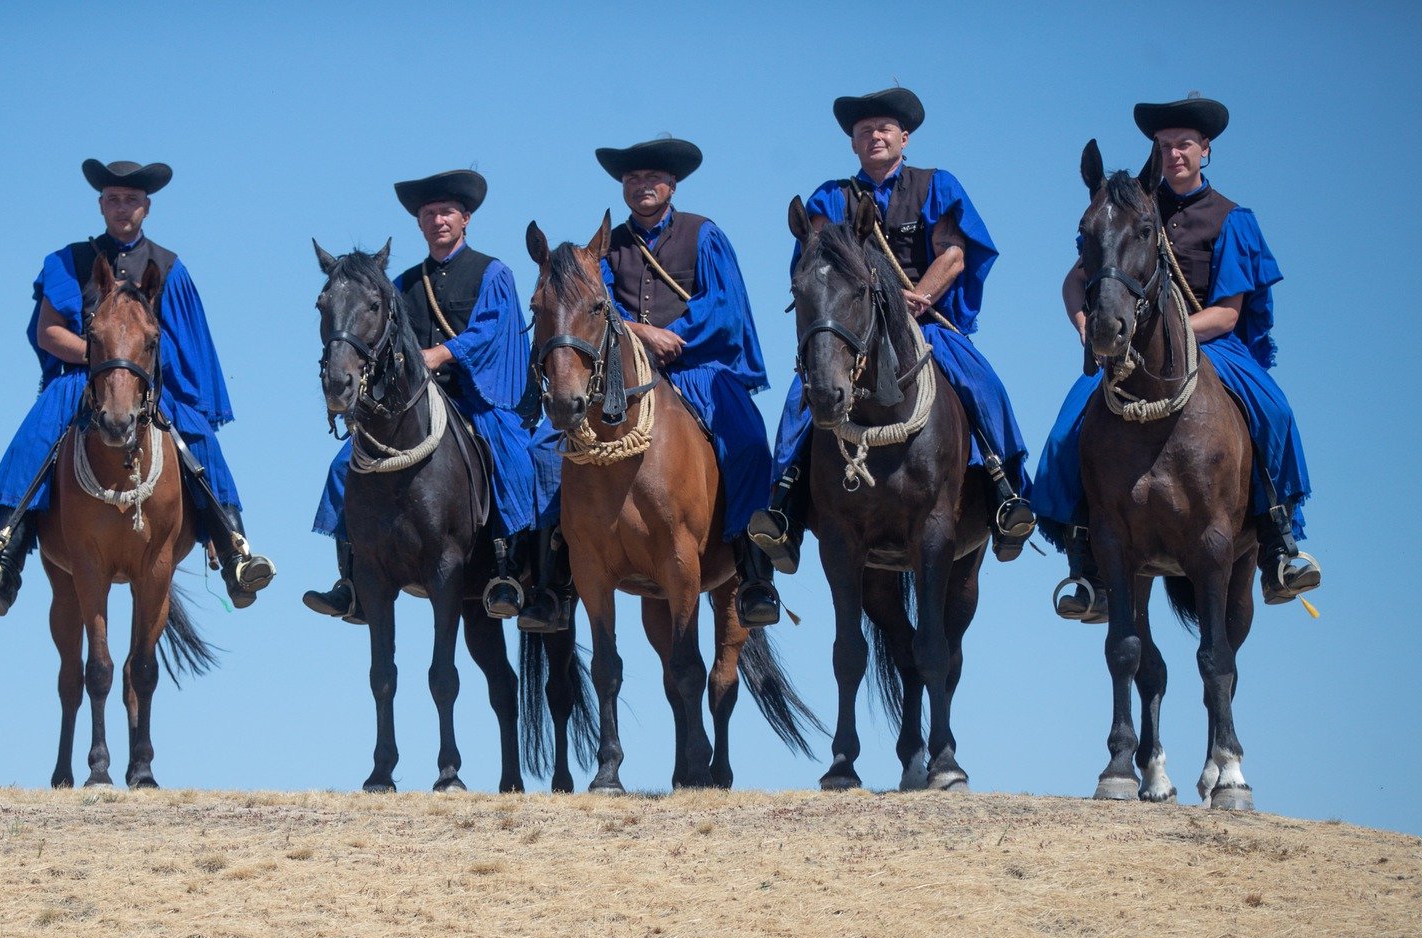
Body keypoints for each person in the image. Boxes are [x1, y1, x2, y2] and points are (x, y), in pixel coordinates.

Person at [1036, 94, 1320, 619]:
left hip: (1210, 343)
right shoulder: (1129, 209)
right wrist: (1084, 325)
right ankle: (1084, 557)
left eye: (1183, 144)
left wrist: (1170, 335)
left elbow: (1228, 314)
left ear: (1204, 150)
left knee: (1275, 411)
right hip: (1128, 350)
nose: (1173, 154)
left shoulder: (1231, 218)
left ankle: (1279, 542)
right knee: (1067, 425)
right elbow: (1076, 281)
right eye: (1164, 145)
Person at [754, 87, 1036, 589]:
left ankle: (1004, 491)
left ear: (904, 138)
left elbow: (953, 255)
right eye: (864, 131)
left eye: (884, 128)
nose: (875, 136)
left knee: (981, 383)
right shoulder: (830, 198)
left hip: (922, 325)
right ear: (853, 144)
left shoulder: (936, 185)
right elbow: (815, 259)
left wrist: (918, 298)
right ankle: (784, 506)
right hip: (857, 331)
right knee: (805, 392)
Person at [0, 159, 275, 613]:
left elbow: (185, 345)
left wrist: (136, 370)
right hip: (83, 378)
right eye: (113, 199)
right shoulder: (69, 261)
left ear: (146, 208)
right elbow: (48, 333)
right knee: (37, 434)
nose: (122, 207)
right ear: (100, 205)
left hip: (148, 383)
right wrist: (102, 359)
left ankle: (234, 551)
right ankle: (5, 558)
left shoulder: (169, 267)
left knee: (199, 440)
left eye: (131, 200)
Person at [537, 138, 778, 625]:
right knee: (544, 448)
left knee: (749, 442)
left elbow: (724, 307)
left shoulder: (704, 234)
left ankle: (754, 567)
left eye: (651, 177)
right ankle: (552, 577)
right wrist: (642, 334)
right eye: (632, 178)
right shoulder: (602, 251)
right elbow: (593, 310)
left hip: (697, 367)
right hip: (620, 372)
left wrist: (676, 335)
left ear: (672, 185)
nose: (641, 185)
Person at [303, 169, 553, 626]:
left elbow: (492, 332)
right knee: (344, 465)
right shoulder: (400, 284)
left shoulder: (493, 272)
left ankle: (512, 573)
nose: (438, 220)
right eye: (429, 213)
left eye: (446, 212)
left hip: (476, 398)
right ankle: (351, 582)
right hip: (415, 401)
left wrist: (442, 353)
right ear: (419, 223)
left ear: (465, 219)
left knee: (517, 460)